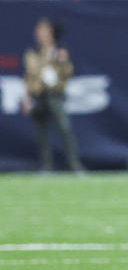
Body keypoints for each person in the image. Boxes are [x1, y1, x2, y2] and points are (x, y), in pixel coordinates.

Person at [22, 18, 84, 172]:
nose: (41, 35)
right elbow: (29, 77)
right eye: (39, 32)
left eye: (44, 32)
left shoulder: (59, 51)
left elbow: (67, 73)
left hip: (54, 94)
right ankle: (46, 165)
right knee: (41, 133)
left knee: (64, 128)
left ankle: (74, 164)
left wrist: (62, 60)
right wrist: (27, 98)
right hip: (38, 95)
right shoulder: (32, 53)